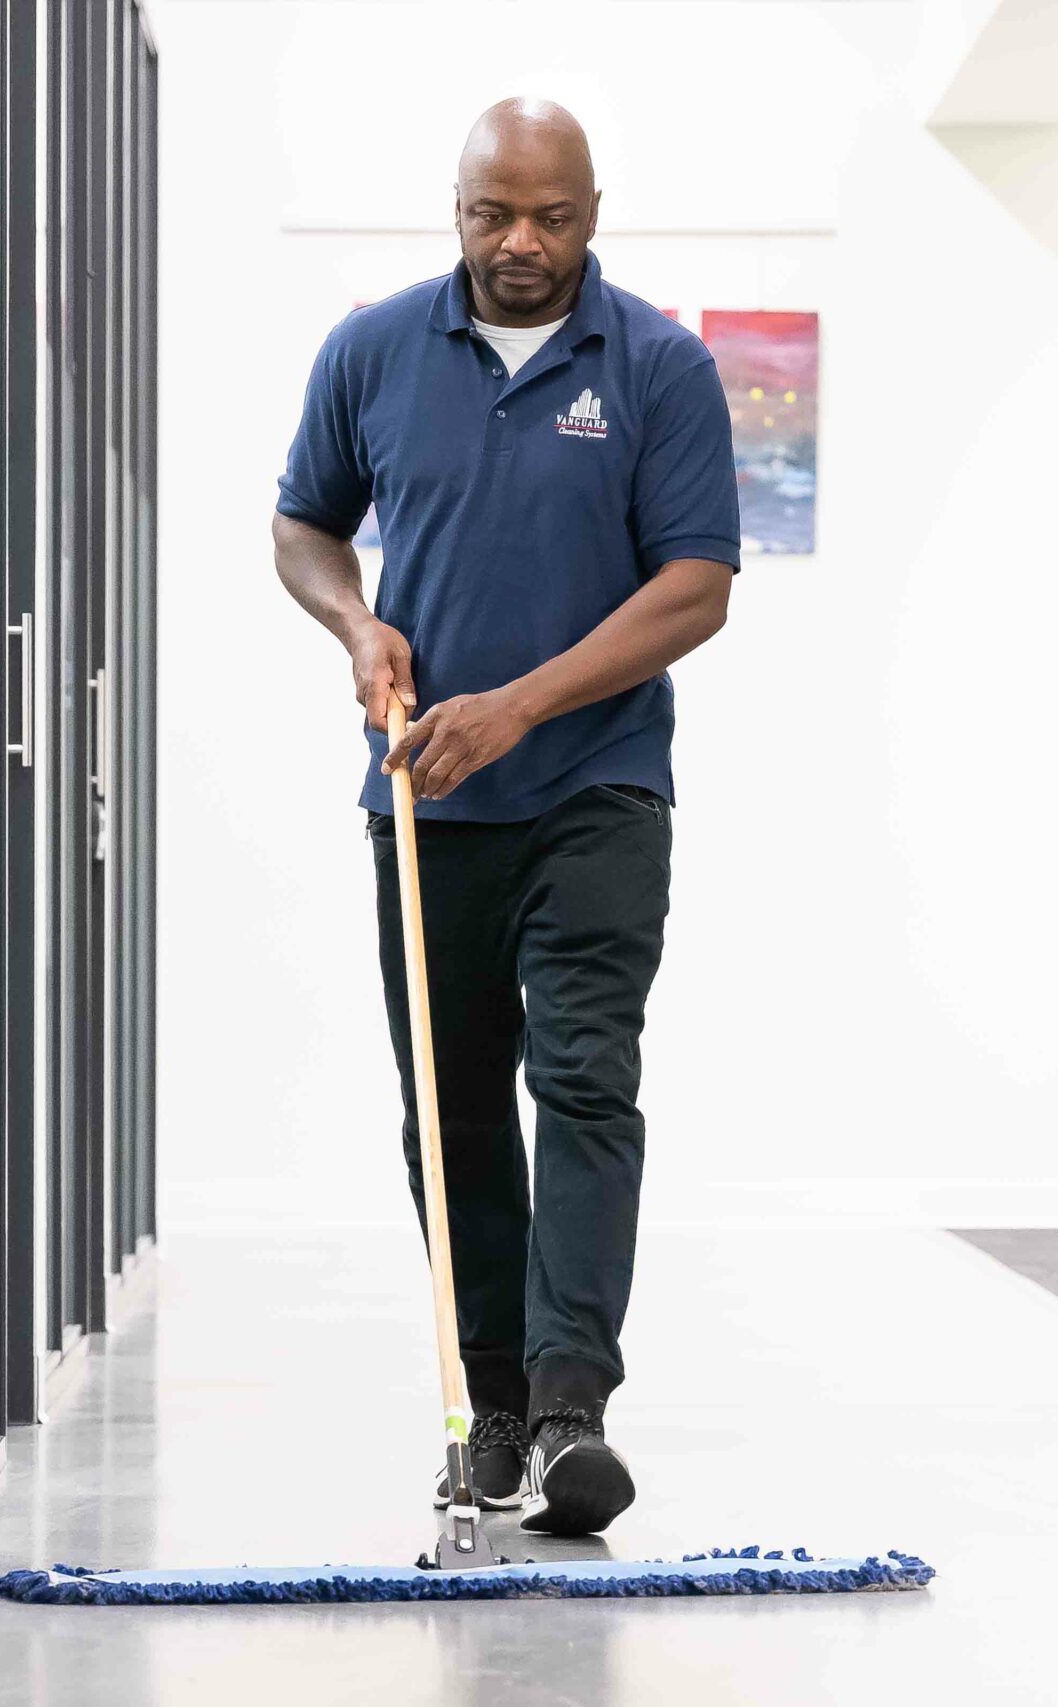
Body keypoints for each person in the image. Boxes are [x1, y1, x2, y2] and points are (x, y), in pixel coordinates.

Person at [271, 97, 739, 1537]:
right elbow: (303, 524)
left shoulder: (659, 365)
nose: (521, 241)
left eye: (551, 216)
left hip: (600, 789)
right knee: (454, 1106)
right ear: (457, 209)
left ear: (593, 214)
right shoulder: (371, 350)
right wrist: (356, 625)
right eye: (494, 214)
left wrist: (520, 709)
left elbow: (696, 588)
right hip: (427, 798)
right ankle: (487, 1412)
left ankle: (571, 1409)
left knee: (585, 1080)